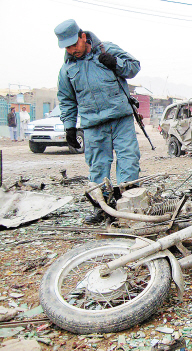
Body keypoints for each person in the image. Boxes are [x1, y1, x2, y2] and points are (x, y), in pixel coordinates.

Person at [54, 19, 141, 224]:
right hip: (93, 125)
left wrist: (115, 63)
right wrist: (69, 127)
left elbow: (134, 67)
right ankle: (102, 209)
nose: (72, 50)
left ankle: (127, 206)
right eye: (67, 47)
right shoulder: (66, 70)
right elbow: (66, 100)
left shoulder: (107, 48)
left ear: (83, 36)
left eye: (74, 44)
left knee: (129, 161)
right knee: (97, 168)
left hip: (121, 119)